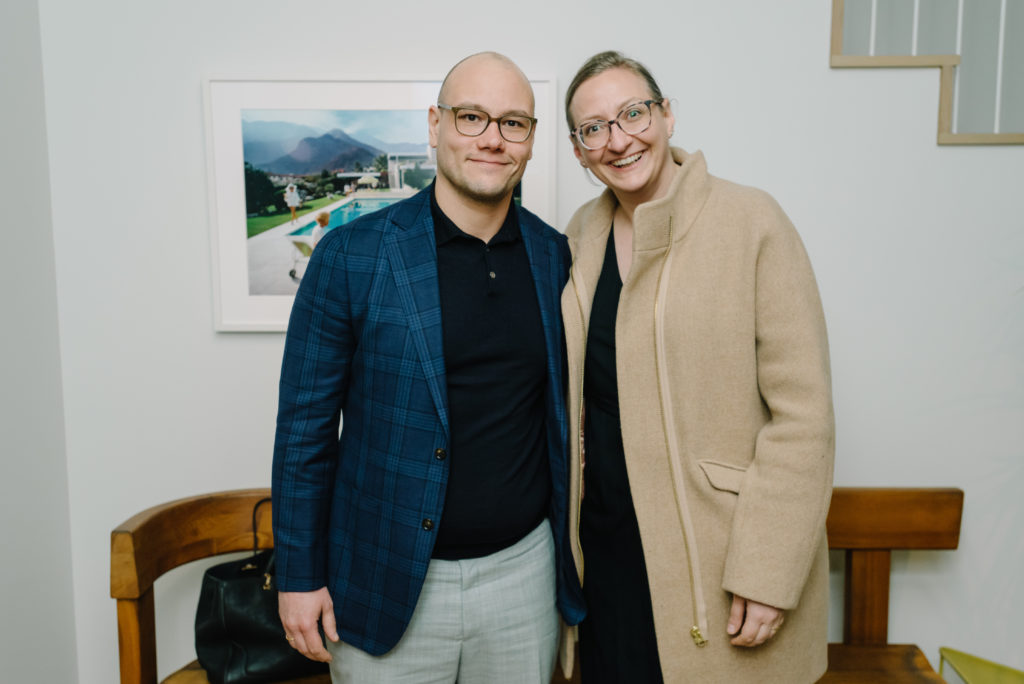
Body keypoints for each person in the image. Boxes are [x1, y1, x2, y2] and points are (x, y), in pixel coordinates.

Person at [272, 51, 585, 684]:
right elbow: (303, 433)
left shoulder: (555, 256)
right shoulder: (350, 257)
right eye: (472, 117)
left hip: (524, 578)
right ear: (436, 123)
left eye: (514, 123)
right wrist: (300, 576)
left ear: (530, 141)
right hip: (386, 580)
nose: (493, 138)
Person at [560, 51, 834, 683]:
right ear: (578, 151)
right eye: (594, 128)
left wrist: (767, 571)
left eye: (634, 113)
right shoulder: (579, 235)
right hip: (605, 556)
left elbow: (804, 416)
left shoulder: (752, 221)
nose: (619, 139)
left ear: (668, 116)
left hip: (718, 559)